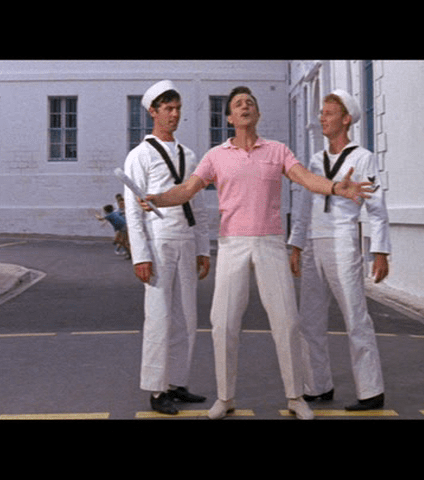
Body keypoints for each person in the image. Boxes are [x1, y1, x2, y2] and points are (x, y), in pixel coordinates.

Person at [141, 86, 373, 420]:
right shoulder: (215, 156)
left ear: (258, 114)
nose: (245, 106)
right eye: (238, 104)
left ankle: (295, 397)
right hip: (232, 245)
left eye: (250, 102)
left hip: (270, 244)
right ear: (230, 118)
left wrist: (336, 187)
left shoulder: (278, 150)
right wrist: (158, 199)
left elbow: (307, 179)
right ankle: (225, 398)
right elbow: (187, 190)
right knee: (222, 325)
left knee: (287, 322)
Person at [288, 90, 390, 411]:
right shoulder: (315, 161)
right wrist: (296, 244)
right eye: (322, 113)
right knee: (310, 320)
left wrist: (380, 252)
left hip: (343, 241)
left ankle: (371, 391)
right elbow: (304, 206)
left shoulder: (363, 158)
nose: (322, 118)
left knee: (355, 317)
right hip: (313, 244)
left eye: (329, 113)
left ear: (346, 119)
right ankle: (317, 385)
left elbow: (376, 209)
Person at [123, 80, 212, 415]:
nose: (174, 115)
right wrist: (140, 256)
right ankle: (157, 390)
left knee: (187, 317)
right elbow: (133, 211)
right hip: (158, 241)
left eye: (178, 109)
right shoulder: (139, 155)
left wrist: (203, 247)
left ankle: (177, 382)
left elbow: (198, 205)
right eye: (168, 109)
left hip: (186, 239)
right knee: (159, 317)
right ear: (153, 112)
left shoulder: (189, 155)